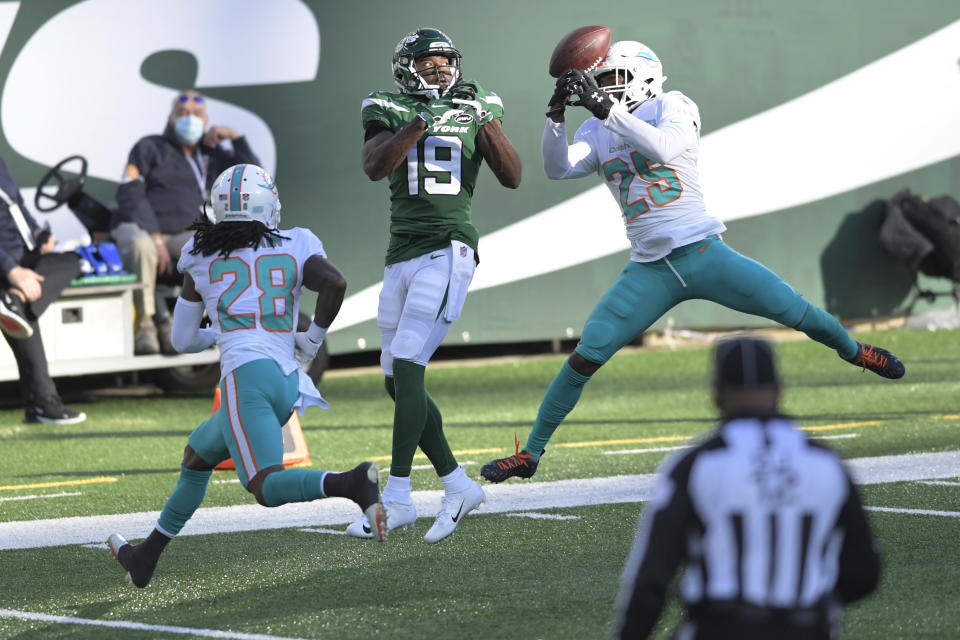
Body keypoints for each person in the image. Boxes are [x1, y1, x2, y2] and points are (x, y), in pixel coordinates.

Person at [481, 40, 905, 483]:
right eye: (600, 81)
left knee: (794, 310)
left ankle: (856, 352)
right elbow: (558, 168)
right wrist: (555, 117)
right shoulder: (597, 128)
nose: (604, 88)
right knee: (585, 357)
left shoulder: (672, 104)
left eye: (612, 79)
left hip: (702, 251)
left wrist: (608, 110)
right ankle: (530, 454)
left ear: (643, 75)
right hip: (649, 268)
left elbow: (665, 148)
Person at [107, 164, 386, 588]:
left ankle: (352, 483)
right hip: (286, 381)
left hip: (246, 381)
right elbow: (334, 282)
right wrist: (310, 340)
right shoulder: (297, 242)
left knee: (264, 487)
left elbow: (182, 340)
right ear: (269, 204)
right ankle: (146, 555)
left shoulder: (200, 254)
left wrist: (220, 330)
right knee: (197, 457)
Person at [345, 27, 522, 543]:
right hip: (400, 254)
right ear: (406, 69)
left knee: (408, 363)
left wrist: (479, 119)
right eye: (429, 62)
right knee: (395, 381)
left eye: (446, 61)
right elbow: (376, 167)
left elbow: (511, 175)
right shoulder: (387, 106)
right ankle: (458, 484)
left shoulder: (478, 103)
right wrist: (425, 120)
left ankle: (398, 497)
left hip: (448, 247)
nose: (440, 69)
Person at [611, 337, 881, 639]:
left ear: (716, 394)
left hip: (720, 628)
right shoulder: (826, 462)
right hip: (807, 628)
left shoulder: (696, 465)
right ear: (779, 389)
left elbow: (651, 580)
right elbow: (864, 573)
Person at [113, 89, 261, 355]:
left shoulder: (211, 155)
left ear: (206, 121)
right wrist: (155, 237)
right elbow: (129, 192)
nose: (189, 118)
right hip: (145, 230)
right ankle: (148, 325)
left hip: (183, 234)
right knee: (141, 246)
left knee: (215, 244)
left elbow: (253, 175)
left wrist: (235, 138)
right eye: (183, 114)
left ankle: (208, 324)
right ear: (170, 118)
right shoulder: (149, 147)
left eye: (196, 114)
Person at [0, 155, 86, 424]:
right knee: (23, 300)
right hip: (5, 262)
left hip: (21, 253)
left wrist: (37, 233)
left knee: (69, 262)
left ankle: (13, 300)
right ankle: (43, 403)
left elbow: (17, 206)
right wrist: (11, 271)